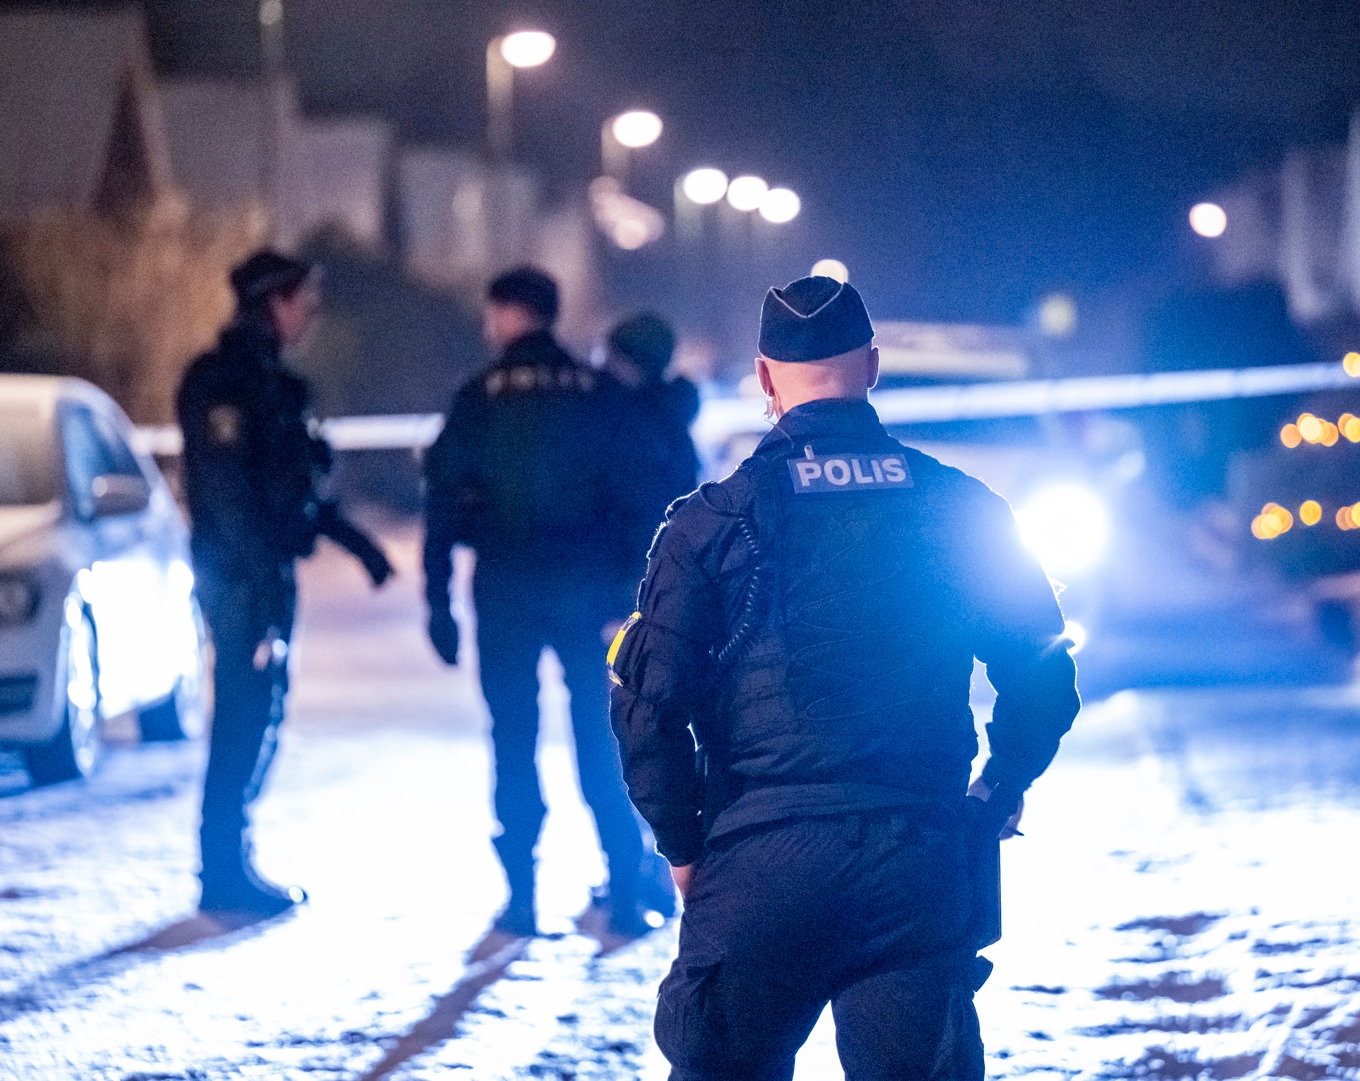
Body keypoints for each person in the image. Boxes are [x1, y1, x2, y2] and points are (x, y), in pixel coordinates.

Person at [608, 276, 1082, 1080]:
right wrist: (1001, 786)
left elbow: (648, 709)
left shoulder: (710, 523)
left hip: (759, 864)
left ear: (765, 378)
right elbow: (1042, 668)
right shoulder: (959, 506)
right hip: (917, 860)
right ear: (872, 365)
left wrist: (683, 846)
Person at [423, 266, 664, 942]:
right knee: (600, 737)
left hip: (505, 592)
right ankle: (624, 890)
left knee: (513, 738)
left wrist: (437, 601)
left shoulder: (479, 396)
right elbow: (638, 501)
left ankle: (521, 899)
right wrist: (630, 596)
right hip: (589, 594)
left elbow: (441, 504)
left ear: (507, 313)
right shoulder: (597, 392)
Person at [177, 250, 392, 920]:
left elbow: (290, 487)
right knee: (243, 716)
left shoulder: (274, 383)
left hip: (261, 574)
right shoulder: (224, 381)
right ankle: (223, 870)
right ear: (275, 302)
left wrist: (358, 544)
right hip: (242, 579)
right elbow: (230, 495)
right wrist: (260, 585)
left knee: (261, 711)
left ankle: (230, 861)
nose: (314, 314)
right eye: (306, 301)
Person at [603, 312, 701, 519]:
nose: (605, 367)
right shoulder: (674, 419)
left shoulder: (626, 424)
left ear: (633, 364)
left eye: (612, 358)